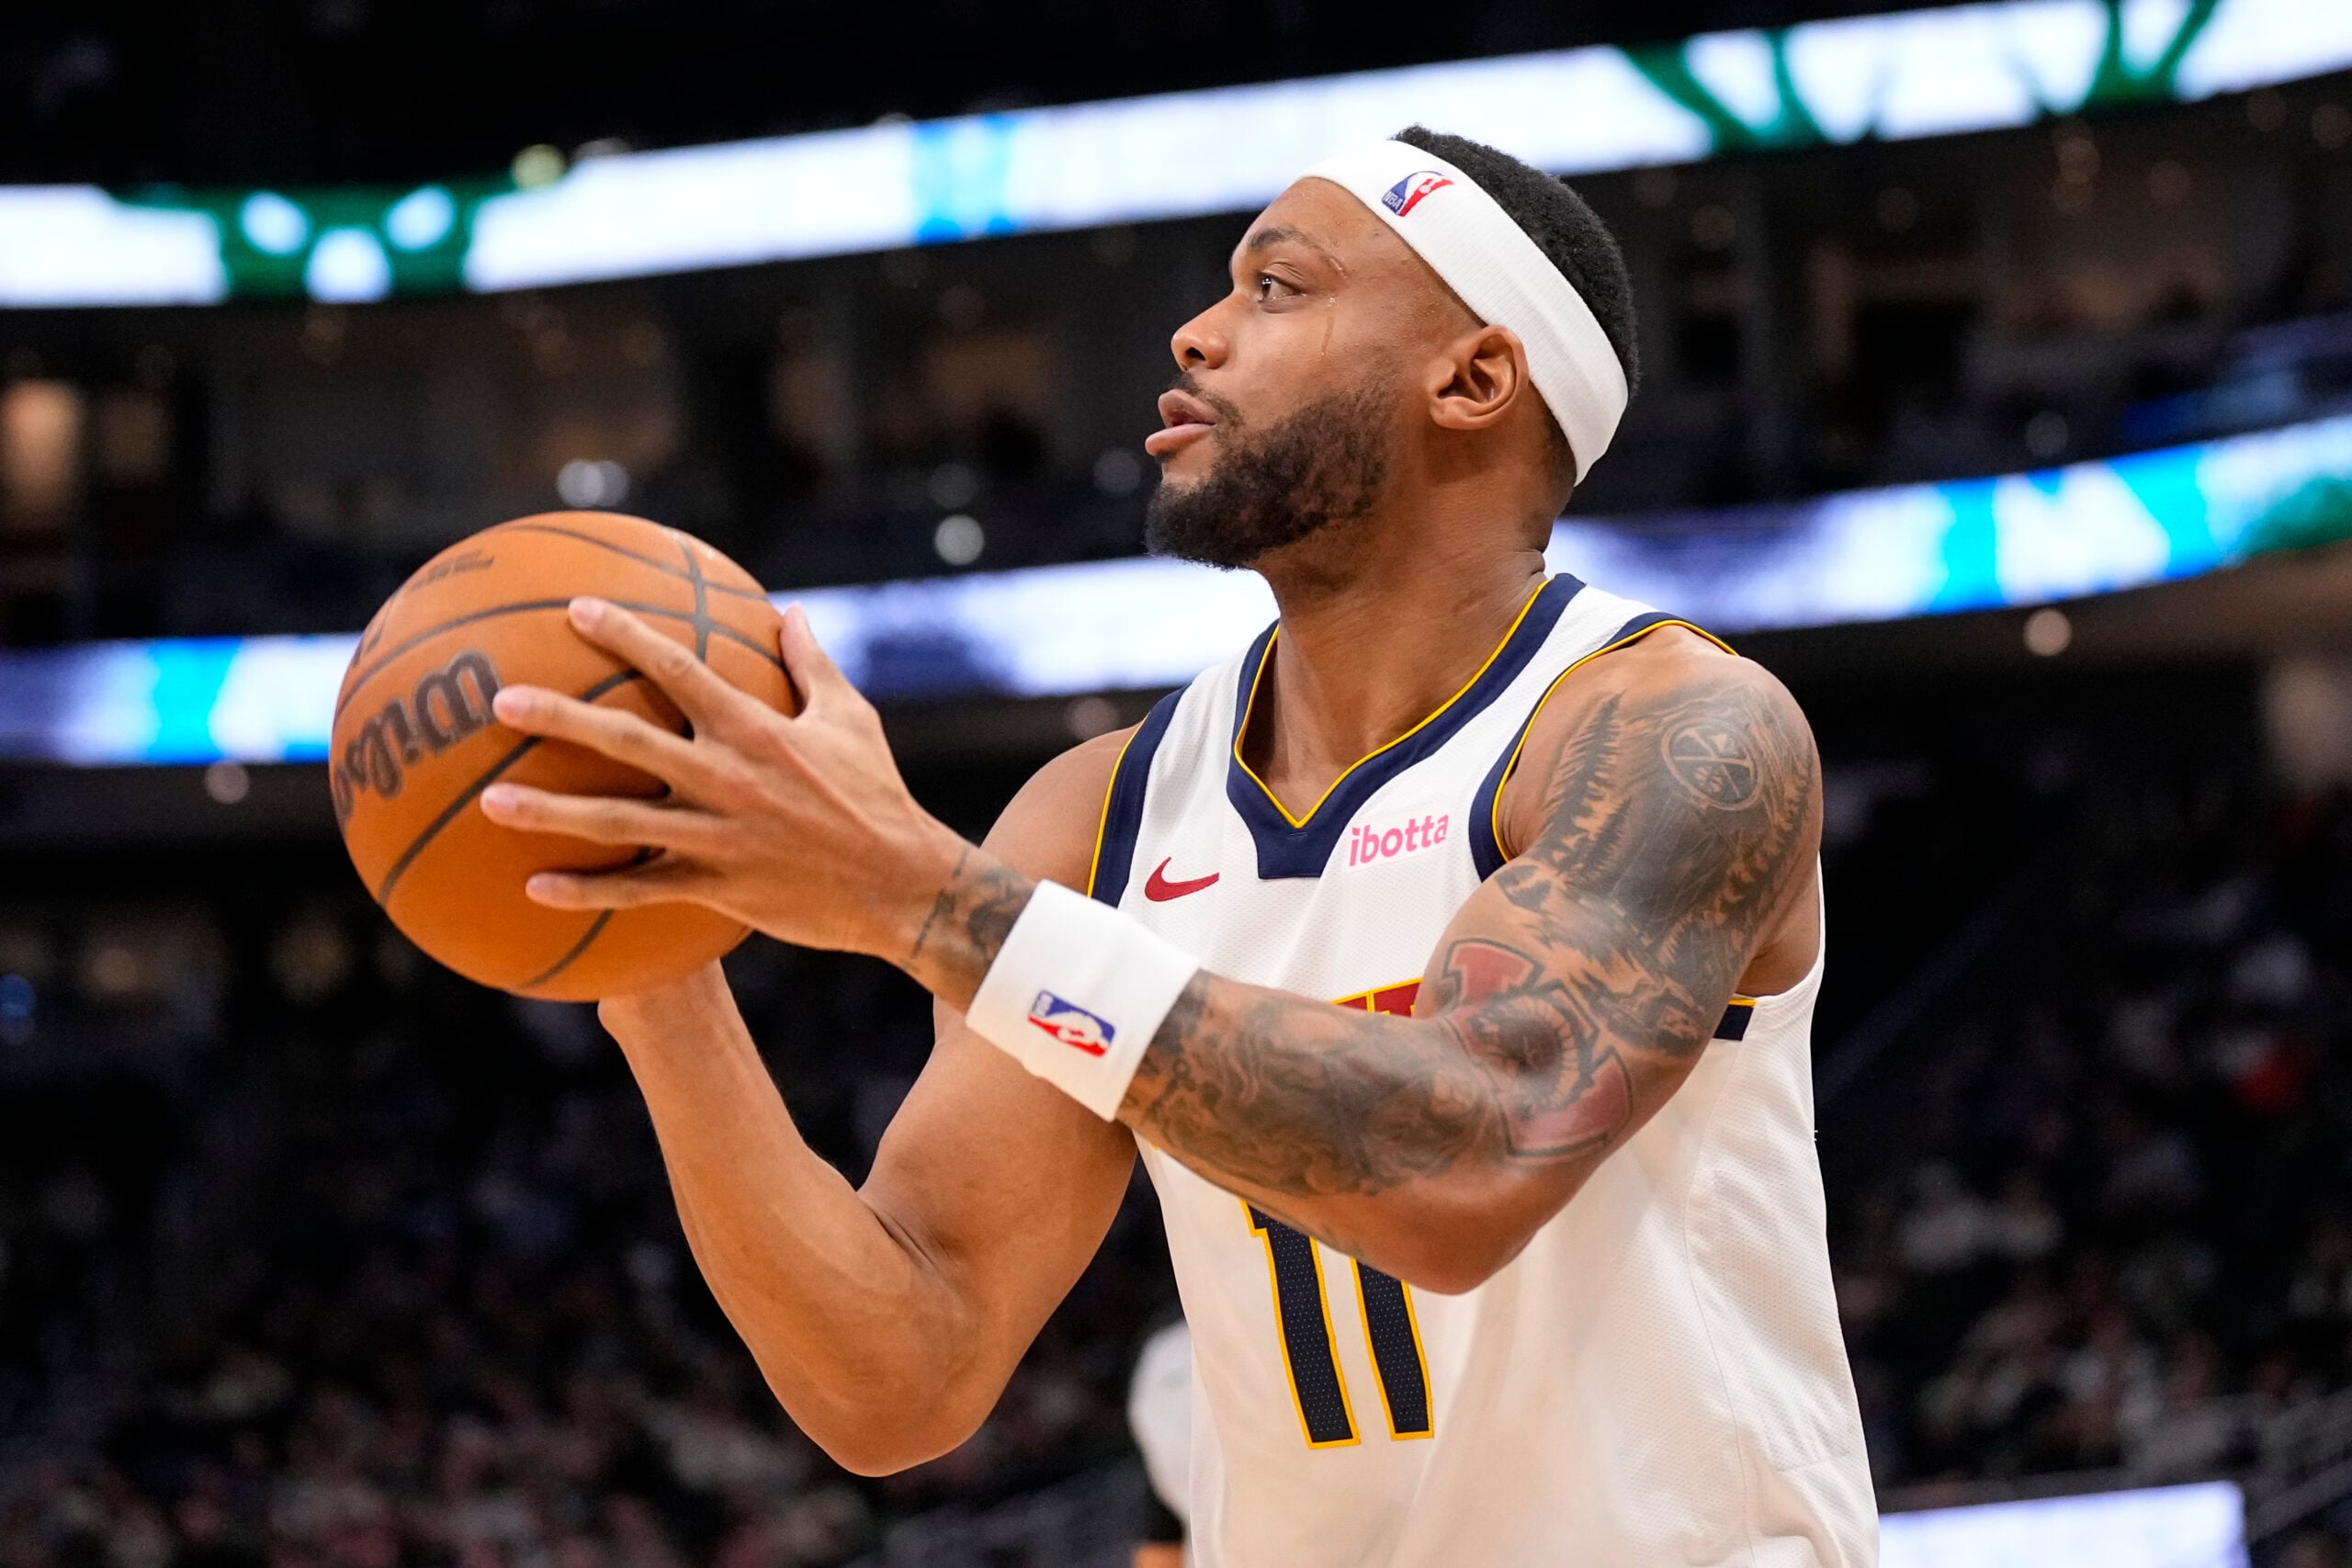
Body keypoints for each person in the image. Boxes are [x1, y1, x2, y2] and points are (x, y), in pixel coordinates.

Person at [476, 126, 1877, 1565]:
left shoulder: (1677, 730)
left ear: (1471, 378)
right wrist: (647, 958)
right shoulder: (1106, 813)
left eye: (1279, 288)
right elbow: (900, 1374)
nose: (1197, 336)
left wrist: (922, 898)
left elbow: (1476, 1160)